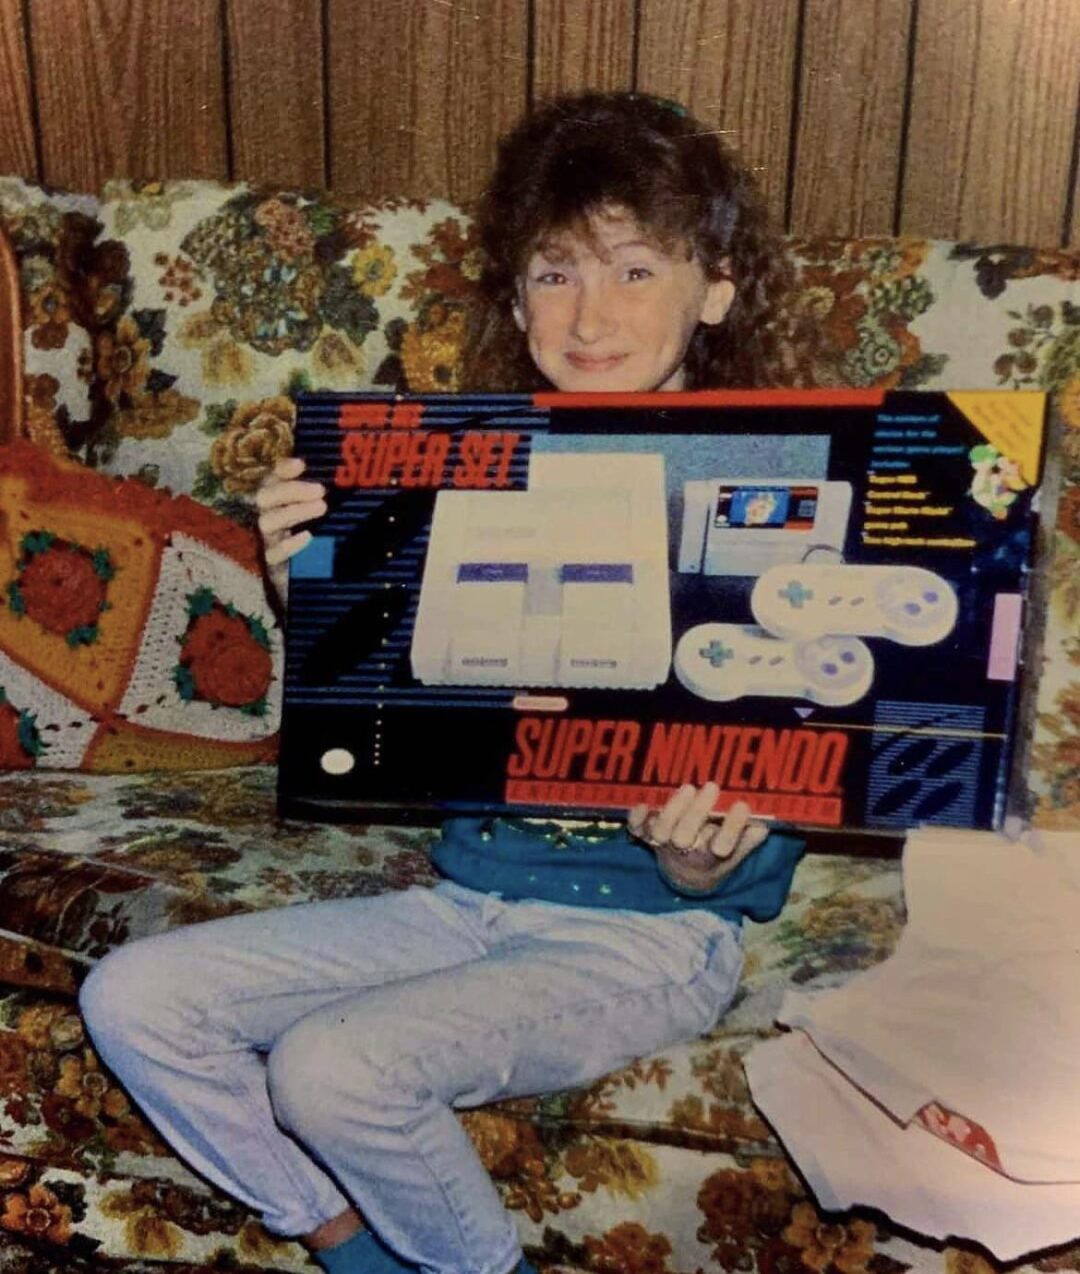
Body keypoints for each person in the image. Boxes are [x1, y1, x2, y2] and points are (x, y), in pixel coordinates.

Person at [80, 92, 806, 1274]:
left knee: (334, 1067)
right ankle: (349, 1243)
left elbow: (792, 789)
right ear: (516, 299)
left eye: (634, 269)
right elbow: (390, 729)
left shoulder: (779, 484)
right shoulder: (455, 470)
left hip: (650, 935)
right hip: (465, 899)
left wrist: (707, 858)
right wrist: (309, 590)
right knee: (133, 995)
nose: (590, 312)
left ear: (714, 287)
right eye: (555, 271)